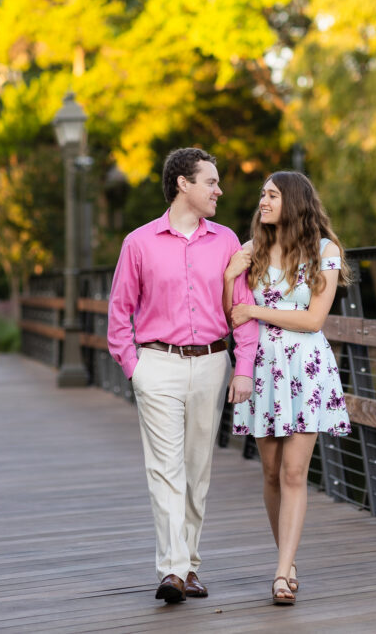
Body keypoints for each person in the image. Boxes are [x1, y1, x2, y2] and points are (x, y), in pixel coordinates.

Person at [107, 147, 259, 603]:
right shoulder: (139, 242)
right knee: (165, 470)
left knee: (197, 471)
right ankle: (172, 571)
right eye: (211, 181)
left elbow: (243, 310)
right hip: (157, 366)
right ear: (183, 184)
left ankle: (190, 564)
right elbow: (119, 314)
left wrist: (243, 368)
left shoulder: (228, 241)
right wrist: (135, 369)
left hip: (213, 364)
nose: (219, 189)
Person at [223, 170, 351, 605]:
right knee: (272, 472)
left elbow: (313, 320)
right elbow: (233, 315)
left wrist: (257, 309)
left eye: (272, 195)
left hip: (306, 369)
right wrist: (228, 281)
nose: (263, 201)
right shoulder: (249, 250)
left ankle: (281, 573)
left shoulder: (324, 252)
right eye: (262, 194)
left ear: (293, 200)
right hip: (261, 368)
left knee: (296, 472)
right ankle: (288, 559)